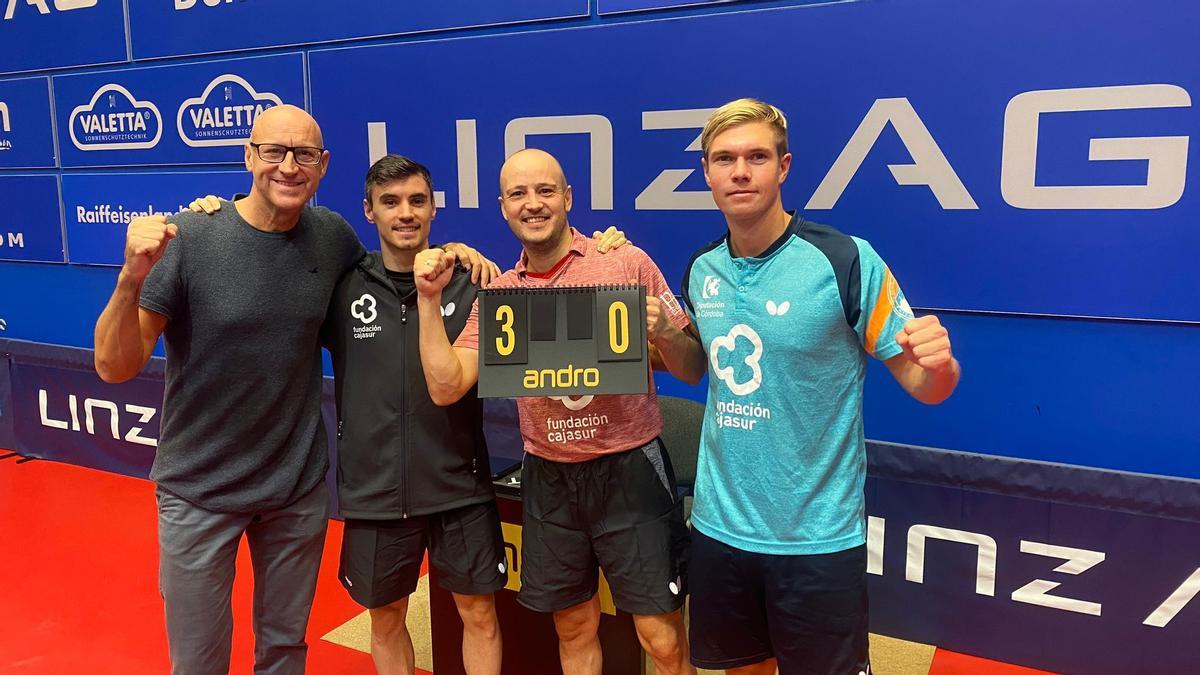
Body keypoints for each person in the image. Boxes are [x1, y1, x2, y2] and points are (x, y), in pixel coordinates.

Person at [187, 153, 628, 675]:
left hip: (459, 488)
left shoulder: (473, 281)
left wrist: (607, 248)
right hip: (374, 491)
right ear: (368, 211)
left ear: (434, 208)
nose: (405, 213)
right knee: (388, 618)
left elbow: (559, 311)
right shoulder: (340, 286)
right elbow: (268, 260)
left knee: (479, 614)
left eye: (417, 201)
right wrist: (216, 219)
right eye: (390, 202)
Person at [668, 98, 961, 675]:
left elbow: (927, 386)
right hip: (720, 530)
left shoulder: (845, 259)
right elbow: (696, 366)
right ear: (707, 172)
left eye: (757, 157)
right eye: (725, 159)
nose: (740, 172)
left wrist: (941, 365)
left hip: (817, 540)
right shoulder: (702, 270)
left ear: (784, 166)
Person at [93, 104, 366, 675]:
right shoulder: (191, 236)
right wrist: (129, 277)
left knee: (285, 651)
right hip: (199, 490)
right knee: (199, 662)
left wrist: (455, 256)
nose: (288, 166)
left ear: (323, 165)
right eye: (273, 151)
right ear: (248, 156)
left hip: (294, 490)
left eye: (304, 154)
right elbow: (114, 367)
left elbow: (390, 291)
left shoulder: (333, 238)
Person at [413, 148, 699, 675]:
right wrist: (428, 301)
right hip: (548, 476)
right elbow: (447, 385)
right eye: (518, 194)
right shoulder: (501, 296)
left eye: (545, 191)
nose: (533, 204)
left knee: (660, 636)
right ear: (503, 207)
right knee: (572, 627)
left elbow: (691, 368)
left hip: (630, 469)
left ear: (567, 198)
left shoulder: (624, 262)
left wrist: (662, 331)